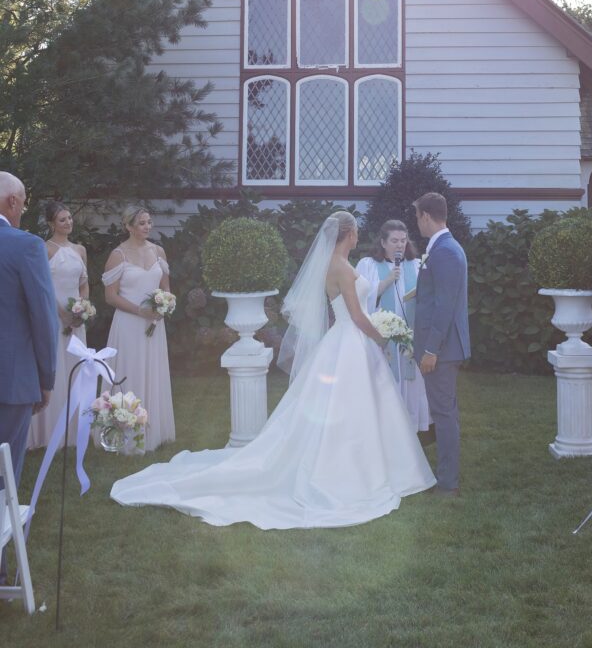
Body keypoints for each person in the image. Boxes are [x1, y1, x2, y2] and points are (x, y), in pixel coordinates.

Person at [110, 211, 435, 528]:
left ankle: (362, 464)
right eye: (356, 232)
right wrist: (381, 337)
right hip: (353, 340)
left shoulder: (334, 265)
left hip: (345, 341)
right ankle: (353, 471)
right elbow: (357, 315)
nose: (359, 236)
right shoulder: (343, 270)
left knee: (350, 407)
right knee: (351, 407)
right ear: (348, 235)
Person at [0, 172, 57, 582]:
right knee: (6, 476)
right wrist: (47, 378)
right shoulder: (26, 246)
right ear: (12, 203)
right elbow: (43, 316)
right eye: (23, 202)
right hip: (11, 382)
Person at [102, 206, 175, 452]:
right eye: (142, 223)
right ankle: (124, 434)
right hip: (129, 324)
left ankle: (154, 431)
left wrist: (164, 305)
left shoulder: (158, 252)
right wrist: (139, 310)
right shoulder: (118, 255)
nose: (147, 227)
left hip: (154, 324)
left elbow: (166, 288)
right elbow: (110, 296)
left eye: (149, 222)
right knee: (130, 372)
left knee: (152, 371)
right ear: (129, 226)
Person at [412, 193, 470, 496]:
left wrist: (431, 349)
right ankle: (447, 476)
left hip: (442, 350)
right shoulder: (442, 248)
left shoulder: (445, 251)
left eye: (417, 217)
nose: (417, 224)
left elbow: (444, 306)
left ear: (425, 216)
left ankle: (447, 483)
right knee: (445, 411)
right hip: (441, 347)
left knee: (444, 414)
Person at [356, 220, 430, 432]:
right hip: (382, 336)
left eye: (403, 240)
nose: (400, 245)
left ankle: (410, 428)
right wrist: (386, 281)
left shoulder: (416, 265)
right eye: (395, 241)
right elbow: (360, 298)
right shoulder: (368, 265)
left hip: (410, 336)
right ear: (383, 242)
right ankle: (384, 428)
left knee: (411, 380)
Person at [27, 201, 90, 450]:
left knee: (76, 368)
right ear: (52, 223)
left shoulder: (80, 249)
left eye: (70, 218)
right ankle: (49, 431)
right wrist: (62, 313)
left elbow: (84, 282)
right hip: (53, 315)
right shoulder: (45, 249)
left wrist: (82, 307)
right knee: (55, 367)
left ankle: (75, 431)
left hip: (76, 319)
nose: (68, 223)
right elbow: (44, 286)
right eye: (62, 219)